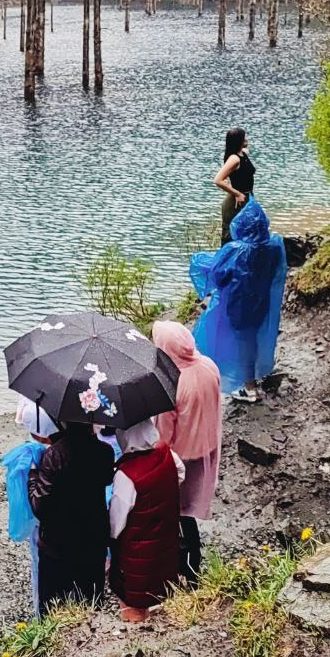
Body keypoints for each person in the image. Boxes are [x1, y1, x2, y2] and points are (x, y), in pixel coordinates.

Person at [190, 196, 288, 404]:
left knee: (241, 341)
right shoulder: (273, 248)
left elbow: (218, 273)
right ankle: (247, 380)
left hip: (237, 305)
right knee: (250, 339)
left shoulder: (236, 250)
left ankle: (248, 387)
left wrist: (199, 262)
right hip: (260, 303)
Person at [152, 320, 222, 581]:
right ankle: (194, 564)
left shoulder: (172, 382)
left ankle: (183, 567)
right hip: (206, 448)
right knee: (188, 509)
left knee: (174, 511)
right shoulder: (208, 365)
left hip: (180, 454)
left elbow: (164, 434)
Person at [27, 419, 115, 613]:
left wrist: (33, 476)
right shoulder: (104, 451)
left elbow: (39, 505)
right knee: (91, 603)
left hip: (57, 543)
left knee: (52, 607)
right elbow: (108, 478)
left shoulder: (54, 455)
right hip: (93, 539)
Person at [109, 417, 184, 621]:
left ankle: (136, 632)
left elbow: (116, 524)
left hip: (136, 549)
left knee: (134, 598)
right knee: (158, 586)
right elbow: (180, 473)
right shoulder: (165, 452)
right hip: (164, 538)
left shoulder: (127, 474)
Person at [2, 399, 58, 615]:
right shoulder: (62, 453)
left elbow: (27, 504)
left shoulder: (31, 458)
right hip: (66, 524)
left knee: (40, 569)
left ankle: (41, 615)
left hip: (41, 526)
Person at [215, 127, 255, 243]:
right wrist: (236, 193)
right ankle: (227, 261)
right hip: (236, 203)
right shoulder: (234, 159)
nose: (246, 139)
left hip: (247, 198)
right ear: (239, 141)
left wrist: (229, 180)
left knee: (247, 233)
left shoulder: (243, 154)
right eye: (244, 138)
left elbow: (237, 173)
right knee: (231, 236)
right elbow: (218, 180)